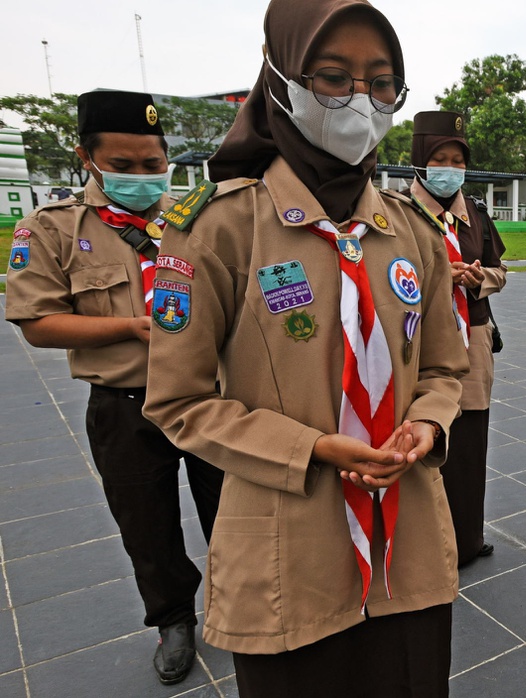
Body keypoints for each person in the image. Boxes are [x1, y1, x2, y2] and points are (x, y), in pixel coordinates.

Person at [141, 1, 468, 695]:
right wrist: (313, 448)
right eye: (332, 77)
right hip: (290, 543)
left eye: (382, 83)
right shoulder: (221, 227)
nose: (361, 100)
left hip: (403, 540)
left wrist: (427, 424)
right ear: (281, 80)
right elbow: (180, 402)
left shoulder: (412, 231)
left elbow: (445, 367)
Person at [4, 90, 224, 686]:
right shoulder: (51, 228)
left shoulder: (196, 217)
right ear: (87, 157)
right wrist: (131, 327)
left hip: (210, 397)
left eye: (153, 165)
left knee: (232, 512)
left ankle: (240, 605)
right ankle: (174, 619)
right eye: (122, 166)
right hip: (124, 404)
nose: (142, 177)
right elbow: (36, 322)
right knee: (145, 523)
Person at [406, 110, 506, 566]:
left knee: (469, 441)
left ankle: (466, 537)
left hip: (474, 337)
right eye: (440, 159)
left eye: (458, 160)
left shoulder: (477, 216)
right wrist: (439, 276)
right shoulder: (398, 215)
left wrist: (478, 277)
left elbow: (500, 271)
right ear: (420, 162)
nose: (450, 169)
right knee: (422, 433)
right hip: (419, 340)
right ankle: (425, 540)